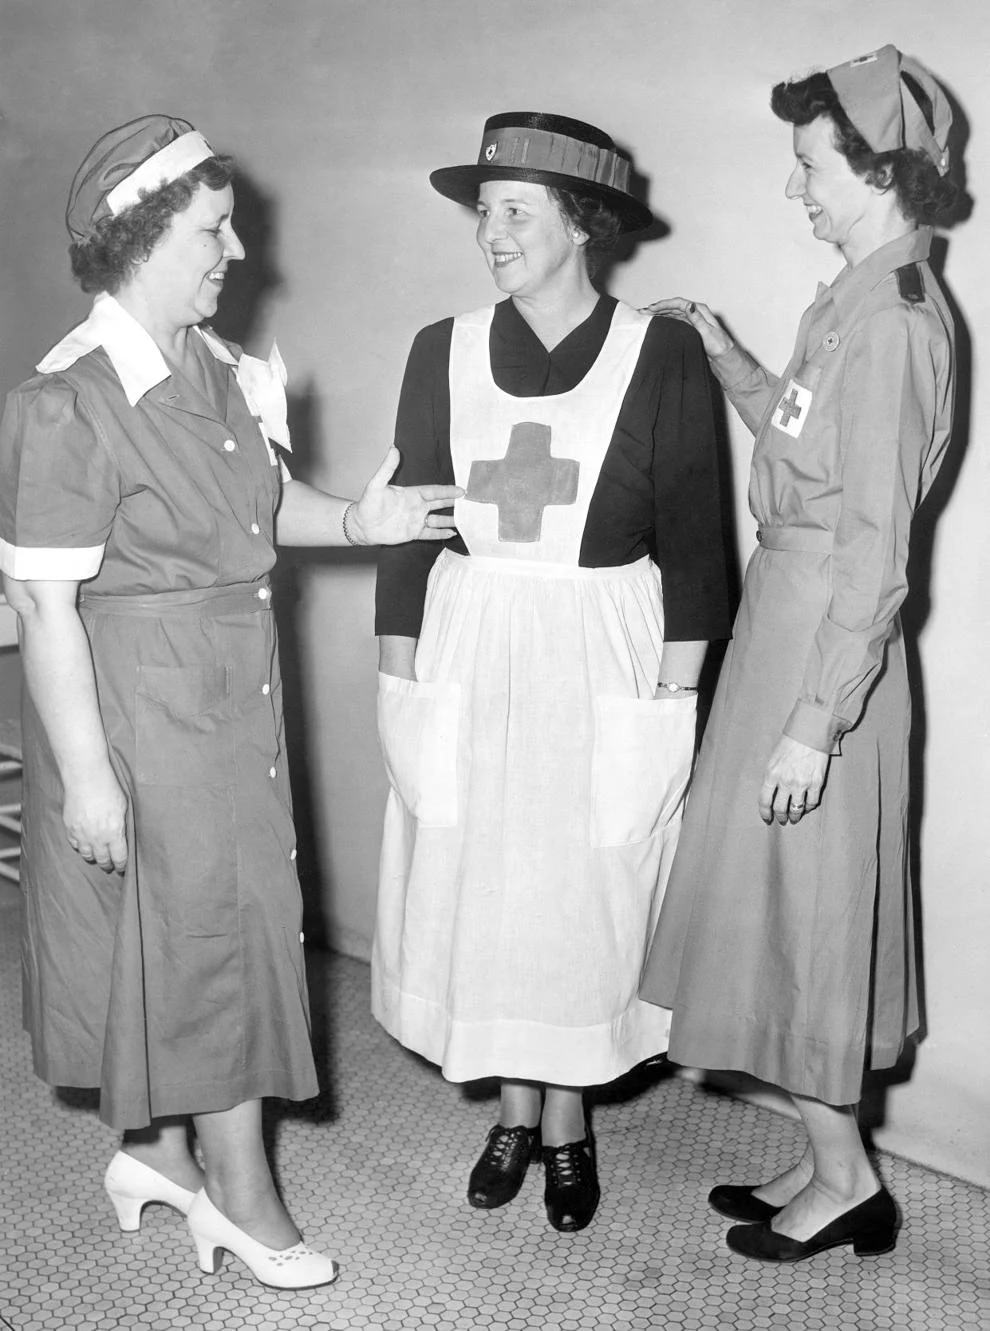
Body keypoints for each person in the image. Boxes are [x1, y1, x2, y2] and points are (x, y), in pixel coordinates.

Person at [0, 114, 460, 1290]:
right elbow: (43, 611)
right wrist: (90, 778)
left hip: (231, 698)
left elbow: (262, 512)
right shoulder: (65, 403)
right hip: (136, 711)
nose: (237, 248)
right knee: (205, 950)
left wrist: (361, 522)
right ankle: (245, 1200)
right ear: (146, 238)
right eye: (211, 228)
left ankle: (158, 1155)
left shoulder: (220, 371)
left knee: (212, 932)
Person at [373, 112, 731, 1233]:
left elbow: (697, 547)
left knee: (579, 900)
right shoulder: (443, 346)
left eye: (515, 211)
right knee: (482, 886)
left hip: (601, 649)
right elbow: (411, 530)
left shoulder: (659, 352)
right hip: (472, 642)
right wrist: (403, 681)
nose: (491, 233)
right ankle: (511, 1110)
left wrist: (668, 705)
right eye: (484, 212)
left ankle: (565, 1119)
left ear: (584, 225)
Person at [640, 46, 959, 1262]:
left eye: (811, 167)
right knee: (776, 913)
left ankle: (848, 1180)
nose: (796, 190)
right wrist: (723, 350)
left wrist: (813, 720)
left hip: (829, 654)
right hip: (792, 630)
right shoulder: (850, 301)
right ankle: (832, 1158)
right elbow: (805, 446)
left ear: (876, 171)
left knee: (809, 919)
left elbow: (877, 555)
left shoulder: (892, 324)